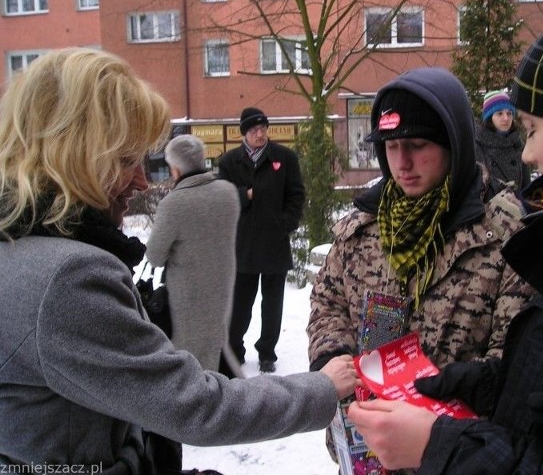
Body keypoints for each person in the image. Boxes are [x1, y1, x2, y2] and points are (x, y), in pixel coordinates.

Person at [0, 47, 356, 474]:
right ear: (75, 153)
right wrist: (321, 388)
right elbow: (193, 404)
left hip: (221, 273)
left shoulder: (18, 251)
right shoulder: (68, 278)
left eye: (148, 162)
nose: (140, 180)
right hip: (227, 276)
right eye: (125, 159)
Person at [347, 7, 543, 474]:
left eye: (534, 128)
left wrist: (440, 446)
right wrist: (486, 384)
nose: (527, 152)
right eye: (390, 147)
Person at [307, 67, 535, 472]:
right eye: (391, 147)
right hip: (366, 447)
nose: (402, 163)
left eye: (417, 144)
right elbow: (328, 300)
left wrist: (454, 396)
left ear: (455, 143)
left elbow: (520, 356)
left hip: (455, 453)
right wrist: (334, 356)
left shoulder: (507, 232)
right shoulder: (364, 226)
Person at [218, 107, 305, 373]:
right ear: (244, 133)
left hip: (274, 242)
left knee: (273, 303)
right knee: (241, 303)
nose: (260, 134)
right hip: (243, 244)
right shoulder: (229, 161)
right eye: (255, 130)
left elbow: (296, 195)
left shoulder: (284, 157)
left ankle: (267, 351)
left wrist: (286, 223)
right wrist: (246, 195)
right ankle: (235, 348)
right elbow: (222, 197)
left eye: (264, 128)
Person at [145, 134, 240, 371]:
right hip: (222, 285)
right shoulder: (229, 193)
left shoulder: (174, 203)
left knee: (190, 356)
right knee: (215, 346)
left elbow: (155, 255)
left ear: (175, 168)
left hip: (187, 295)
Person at [475, 90, 530, 200]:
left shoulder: (518, 144)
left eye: (509, 113)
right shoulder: (478, 145)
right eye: (499, 113)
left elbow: (526, 186)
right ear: (489, 117)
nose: (506, 118)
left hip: (519, 212)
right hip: (491, 213)